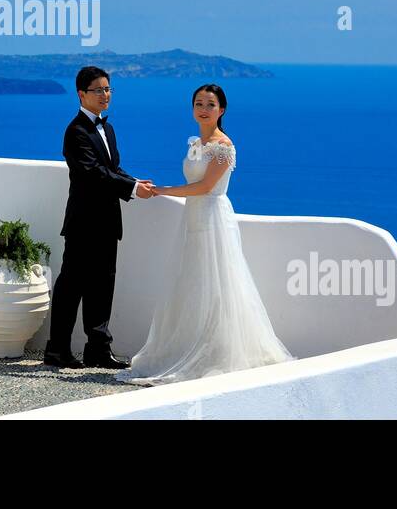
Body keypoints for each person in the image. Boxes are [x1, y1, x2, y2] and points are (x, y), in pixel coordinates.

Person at [116, 83, 294, 386]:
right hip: (194, 217)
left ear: (221, 110)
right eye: (199, 103)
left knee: (218, 283)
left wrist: (163, 191)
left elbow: (206, 187)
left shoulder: (223, 146)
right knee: (193, 281)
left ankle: (217, 352)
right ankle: (188, 344)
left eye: (210, 104)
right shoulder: (197, 142)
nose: (203, 108)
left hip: (213, 217)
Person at [42, 66, 155, 369]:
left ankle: (98, 350)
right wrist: (130, 188)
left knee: (103, 288)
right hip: (83, 224)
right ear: (81, 94)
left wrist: (135, 183)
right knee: (71, 287)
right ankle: (57, 351)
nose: (105, 95)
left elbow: (113, 169)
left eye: (108, 89)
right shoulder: (75, 132)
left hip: (107, 223)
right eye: (98, 90)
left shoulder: (109, 128)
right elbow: (92, 173)